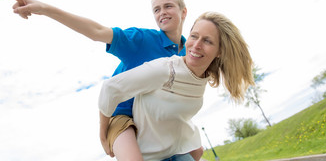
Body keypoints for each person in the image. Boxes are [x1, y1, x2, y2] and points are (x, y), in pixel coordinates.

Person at [0, 0, 204, 160]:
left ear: (183, 11)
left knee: (197, 150)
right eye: (156, 9)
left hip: (156, 116)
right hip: (122, 116)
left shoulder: (188, 52)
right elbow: (96, 32)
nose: (162, 13)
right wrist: (44, 8)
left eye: (168, 6)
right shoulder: (140, 40)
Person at [99, 11, 255, 161]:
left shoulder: (202, 76)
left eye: (207, 41)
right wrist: (103, 136)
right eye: (194, 36)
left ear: (220, 51)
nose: (196, 45)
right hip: (142, 147)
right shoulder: (165, 69)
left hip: (171, 147)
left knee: (197, 151)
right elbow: (110, 89)